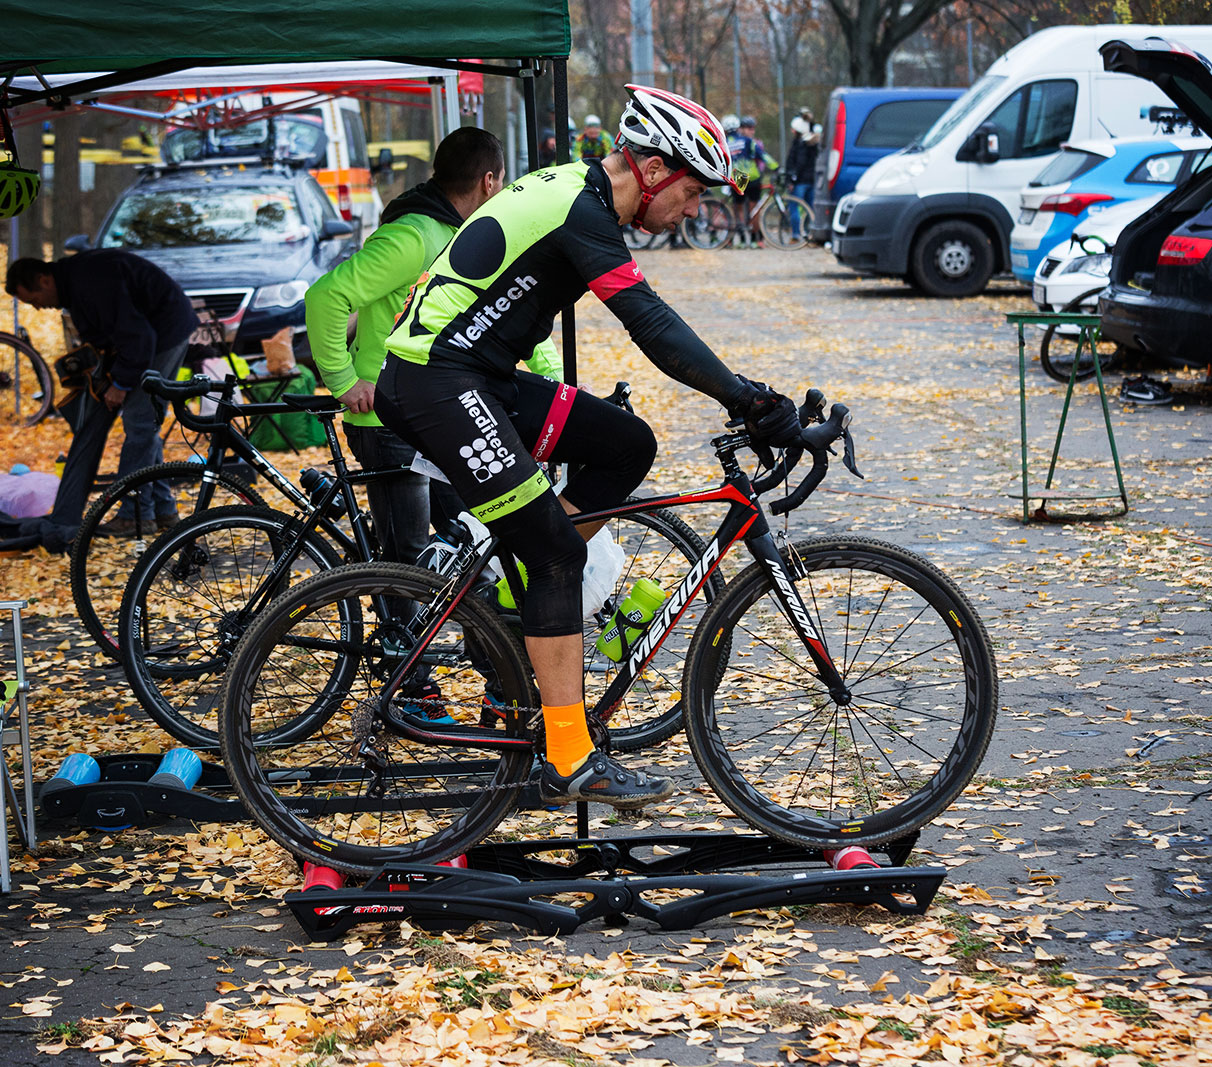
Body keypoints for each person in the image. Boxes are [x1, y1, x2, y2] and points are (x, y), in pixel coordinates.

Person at [374, 84, 803, 809]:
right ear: (656, 170)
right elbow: (650, 323)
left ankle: (524, 597)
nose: (694, 210)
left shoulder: (581, 194)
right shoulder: (582, 206)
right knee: (556, 554)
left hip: (480, 377)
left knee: (625, 445)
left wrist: (743, 390)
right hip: (436, 382)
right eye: (694, 193)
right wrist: (744, 396)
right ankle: (568, 754)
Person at [305, 127, 561, 592]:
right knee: (406, 557)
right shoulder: (412, 236)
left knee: (472, 542)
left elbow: (505, 309)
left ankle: (484, 651)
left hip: (441, 409)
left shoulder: (467, 235)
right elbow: (327, 296)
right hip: (386, 416)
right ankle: (406, 662)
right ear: (488, 182)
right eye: (501, 182)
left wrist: (557, 382)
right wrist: (343, 381)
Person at [4, 251, 198, 548]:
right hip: (153, 332)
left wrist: (120, 382)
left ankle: (134, 514)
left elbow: (137, 337)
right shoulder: (76, 284)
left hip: (164, 332)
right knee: (144, 424)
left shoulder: (91, 282)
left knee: (140, 423)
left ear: (44, 279)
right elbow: (109, 337)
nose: (39, 308)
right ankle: (163, 510)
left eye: (33, 300)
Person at [727, 115, 778, 247]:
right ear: (738, 128)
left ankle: (743, 239)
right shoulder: (747, 141)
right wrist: (776, 167)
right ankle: (756, 240)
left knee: (739, 210)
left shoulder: (725, 142)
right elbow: (763, 155)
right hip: (752, 177)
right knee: (754, 210)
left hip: (738, 177)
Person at [785, 114, 820, 240]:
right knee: (811, 209)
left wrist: (792, 179)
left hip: (799, 182)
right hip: (811, 180)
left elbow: (799, 163)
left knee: (794, 207)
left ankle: (796, 235)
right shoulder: (812, 143)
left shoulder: (800, 144)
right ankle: (813, 234)